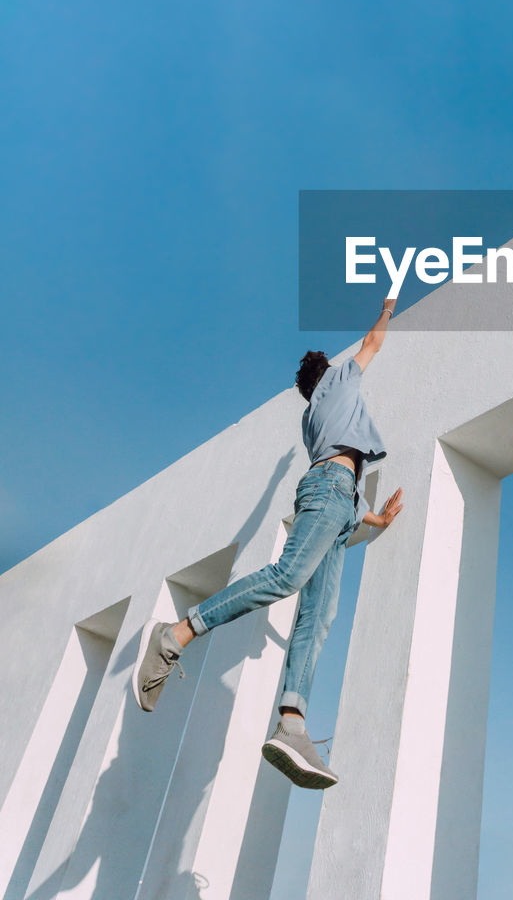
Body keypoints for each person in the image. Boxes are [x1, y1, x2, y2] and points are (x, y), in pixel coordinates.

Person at [131, 296, 403, 790]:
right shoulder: (338, 385)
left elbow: (342, 473)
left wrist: (373, 518)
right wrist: (386, 308)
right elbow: (372, 343)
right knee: (287, 577)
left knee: (318, 619)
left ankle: (292, 724)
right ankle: (175, 635)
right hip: (328, 493)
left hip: (339, 503)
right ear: (328, 376)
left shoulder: (314, 419)